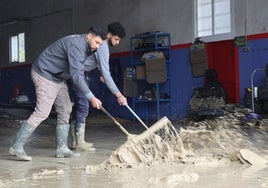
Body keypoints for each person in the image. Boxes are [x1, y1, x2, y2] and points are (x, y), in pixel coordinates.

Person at [9, 26, 106, 161]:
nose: (98, 47)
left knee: (66, 107)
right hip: (44, 74)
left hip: (58, 78)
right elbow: (77, 76)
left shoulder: (87, 47)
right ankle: (16, 146)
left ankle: (62, 148)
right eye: (97, 42)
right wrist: (91, 97)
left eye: (100, 44)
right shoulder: (76, 45)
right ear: (89, 36)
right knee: (42, 111)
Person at [69, 21, 127, 151]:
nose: (117, 43)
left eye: (119, 40)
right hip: (77, 73)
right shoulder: (103, 47)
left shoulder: (103, 46)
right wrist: (119, 95)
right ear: (108, 35)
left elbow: (100, 65)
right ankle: (79, 142)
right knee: (83, 104)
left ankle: (73, 141)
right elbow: (107, 74)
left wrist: (101, 73)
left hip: (77, 72)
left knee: (80, 105)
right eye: (116, 39)